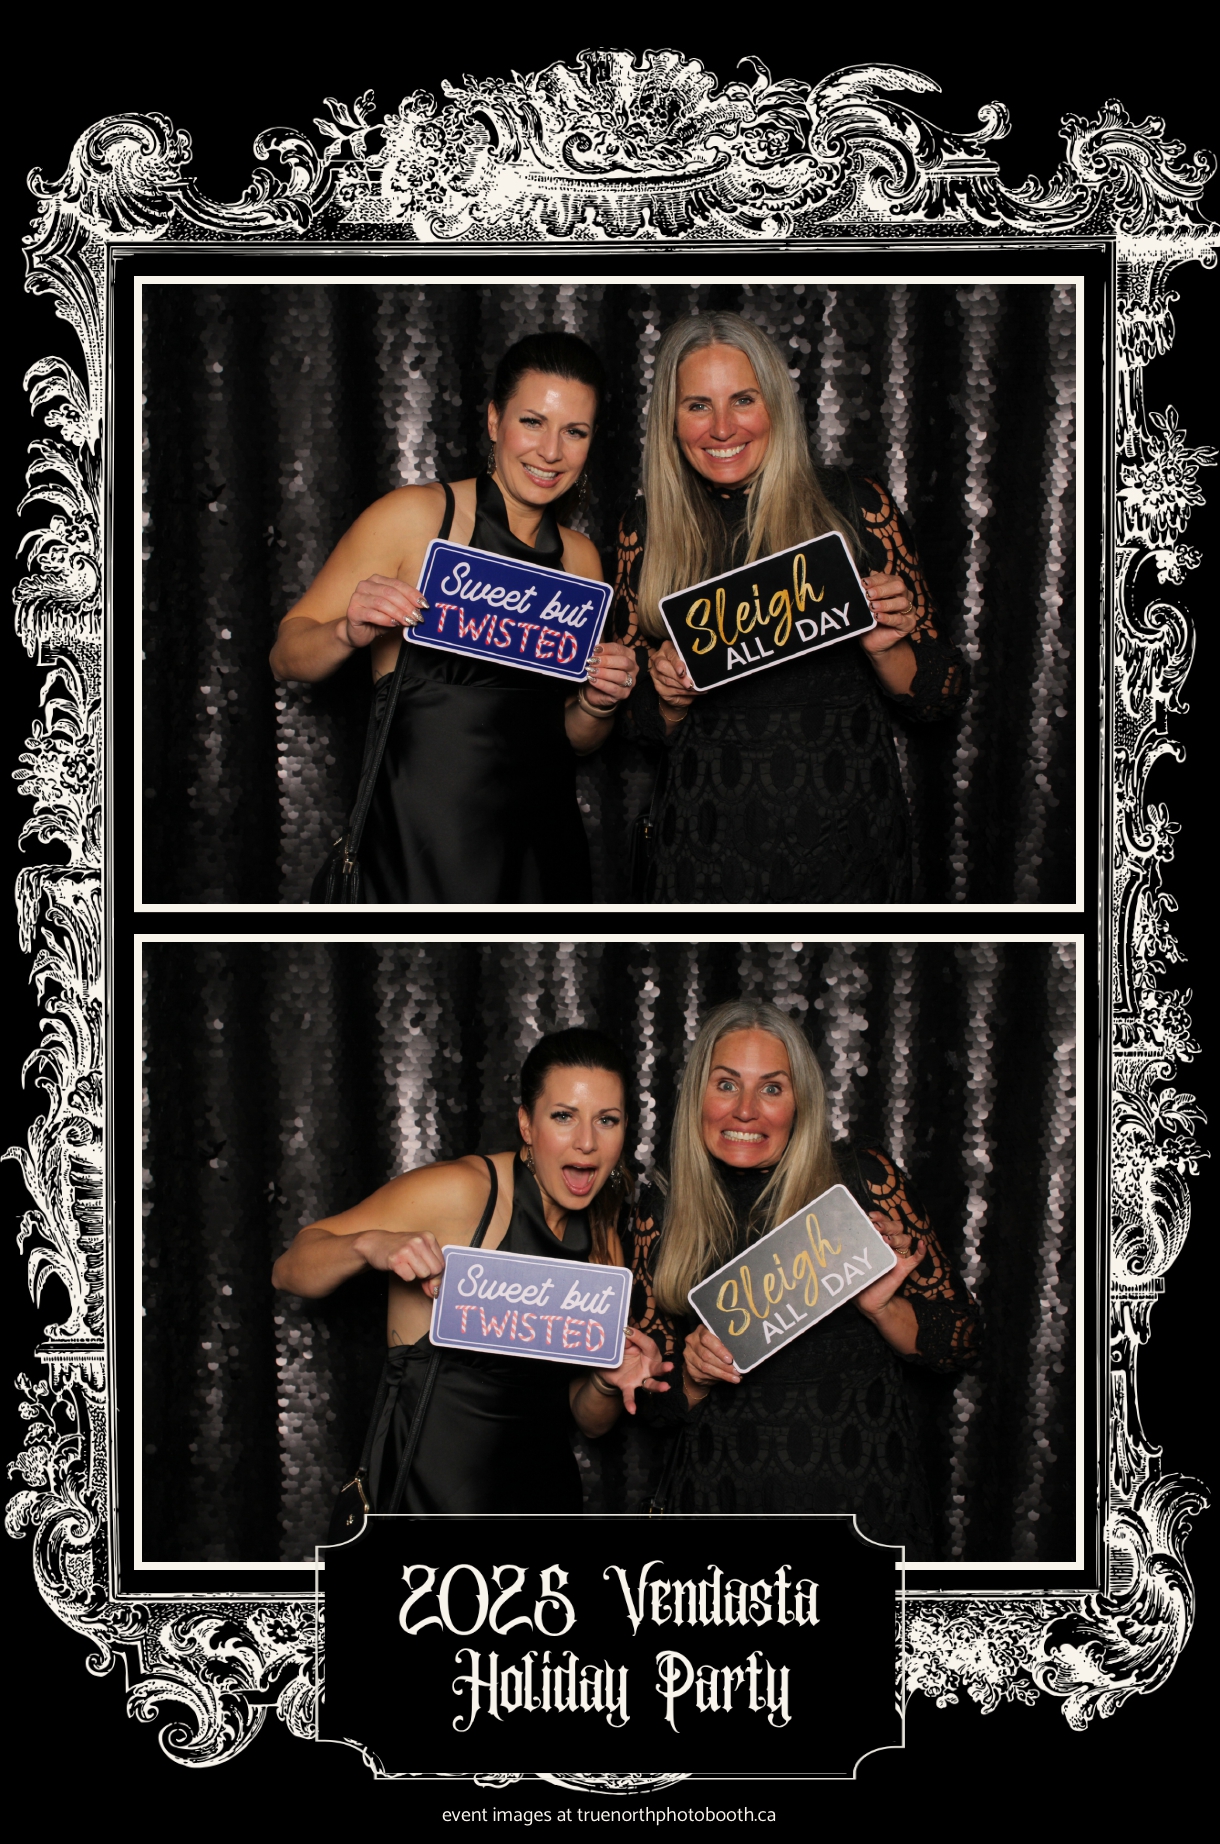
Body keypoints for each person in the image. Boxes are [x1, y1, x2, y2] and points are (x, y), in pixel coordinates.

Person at [611, 313, 967, 903]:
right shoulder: (647, 528)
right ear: (671, 421)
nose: (722, 427)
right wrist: (668, 699)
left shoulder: (854, 506)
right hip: (703, 847)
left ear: (774, 403)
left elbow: (941, 696)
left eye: (742, 399)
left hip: (849, 847)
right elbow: (636, 724)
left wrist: (889, 650)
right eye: (697, 405)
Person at [270, 333, 637, 902]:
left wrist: (598, 701)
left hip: (541, 858)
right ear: (494, 420)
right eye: (532, 422)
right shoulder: (414, 518)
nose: (550, 451)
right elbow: (286, 654)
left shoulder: (581, 560)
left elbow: (569, 739)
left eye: (575, 432)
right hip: (418, 853)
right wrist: (347, 630)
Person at [630, 1000, 981, 1552]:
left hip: (859, 1507)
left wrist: (882, 1308)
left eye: (771, 1088)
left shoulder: (861, 1181)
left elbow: (962, 1340)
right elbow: (649, 1402)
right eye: (726, 1084)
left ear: (801, 1103)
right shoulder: (665, 1202)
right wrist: (693, 1376)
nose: (745, 1110)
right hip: (718, 1503)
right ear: (698, 1094)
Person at [272, 1028, 669, 1515]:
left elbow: (588, 1421)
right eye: (563, 1116)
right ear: (527, 1124)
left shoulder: (603, 1236)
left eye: (607, 1120)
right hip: (426, 1508)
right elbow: (289, 1269)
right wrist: (369, 1244)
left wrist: (608, 1382)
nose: (586, 1142)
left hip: (543, 1507)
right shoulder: (463, 1194)